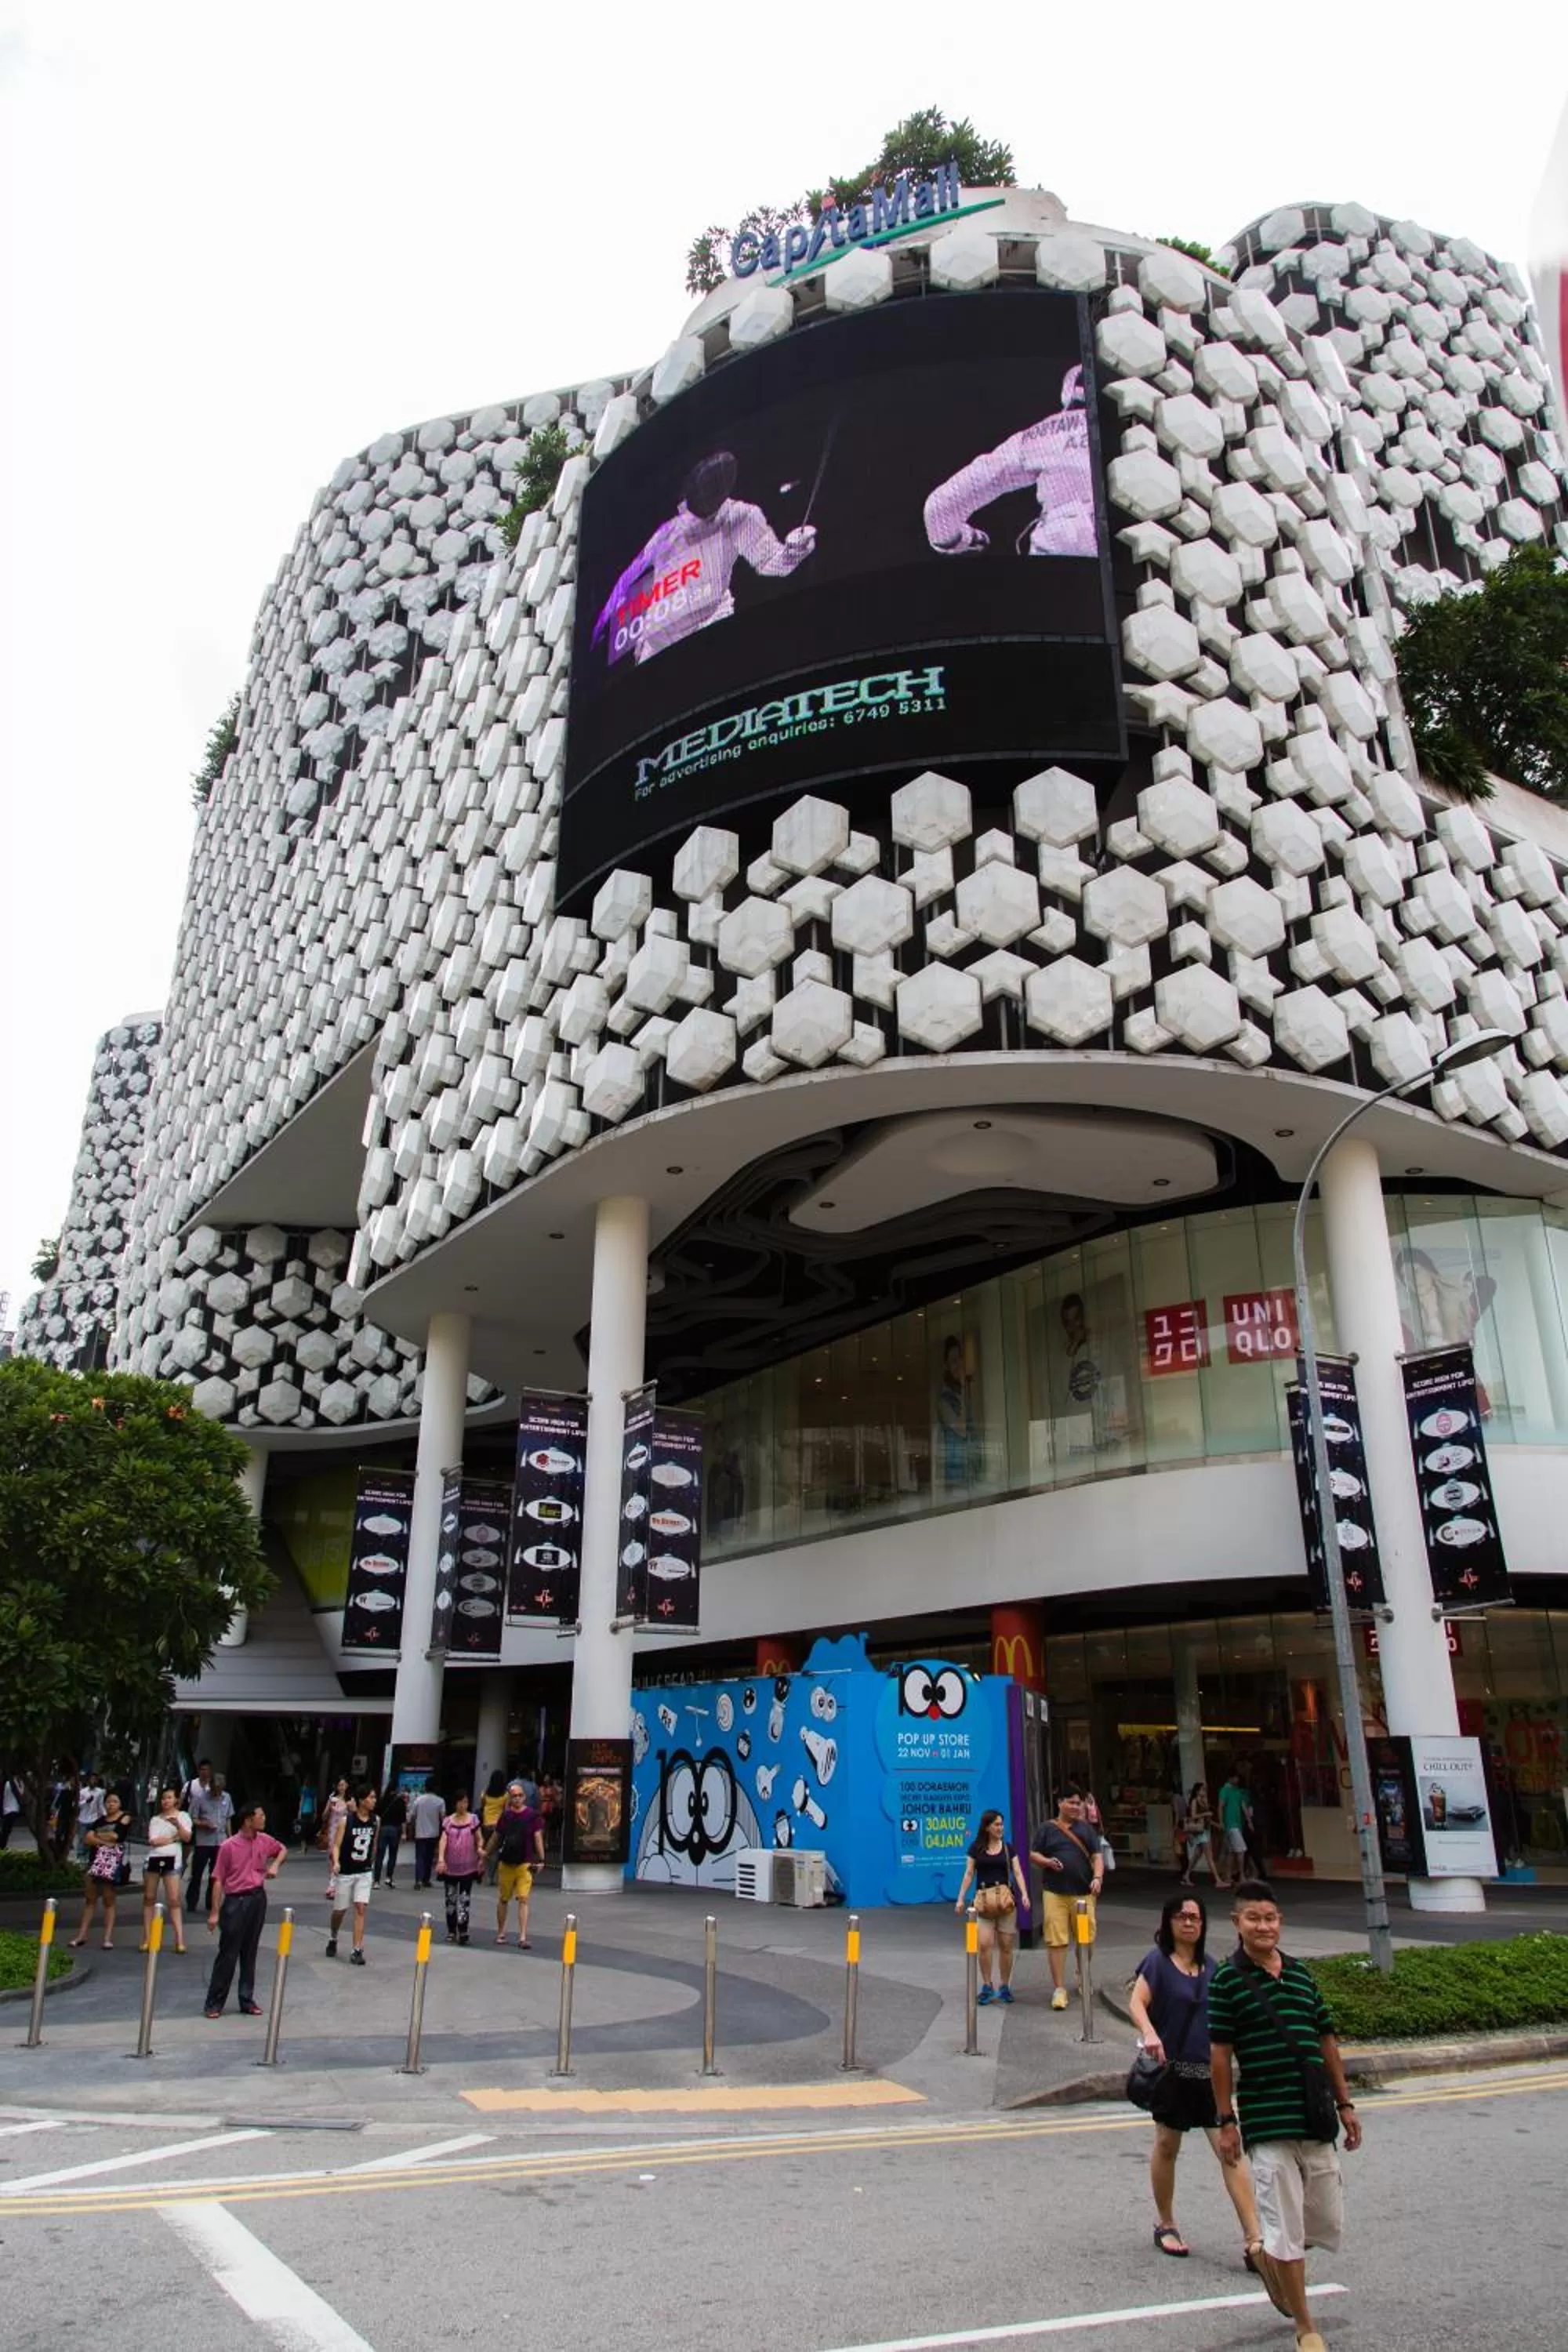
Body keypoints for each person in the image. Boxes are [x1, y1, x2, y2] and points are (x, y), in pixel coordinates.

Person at [1209, 1881, 1362, 2352]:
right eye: (1253, 1918)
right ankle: (1305, 2326)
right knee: (1286, 2228)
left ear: (1280, 1922)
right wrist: (1226, 2120)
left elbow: (1327, 2041)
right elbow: (1220, 2056)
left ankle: (1270, 2257)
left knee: (1323, 2222)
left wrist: (1345, 2103)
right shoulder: (1227, 1980)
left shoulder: (1300, 1975)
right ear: (1237, 1924)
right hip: (1267, 2119)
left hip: (1315, 2117)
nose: (1263, 1926)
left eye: (1270, 1918)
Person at [1129, 1893, 1264, 2265]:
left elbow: (1228, 2018)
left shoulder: (1211, 1968)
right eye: (1181, 1917)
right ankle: (1166, 2224)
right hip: (1173, 2075)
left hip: (1207, 2075)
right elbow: (1137, 2002)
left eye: (1195, 1918)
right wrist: (1150, 2032)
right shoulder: (1157, 1963)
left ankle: (1255, 2240)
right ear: (1168, 1923)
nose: (1189, 1923)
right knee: (1167, 2147)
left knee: (1230, 2151)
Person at [590, 448, 817, 669]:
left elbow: (771, 561)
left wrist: (794, 550)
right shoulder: (669, 531)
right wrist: (602, 624)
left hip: (706, 631)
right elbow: (629, 576)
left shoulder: (738, 516)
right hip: (656, 646)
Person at [924, 365, 1098, 558]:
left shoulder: (1035, 438)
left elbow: (939, 507)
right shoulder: (1132, 433)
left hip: (1057, 551)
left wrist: (967, 539)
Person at [204, 1800, 286, 2016]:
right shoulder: (229, 1846)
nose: (264, 1818)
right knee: (228, 1953)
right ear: (249, 1819)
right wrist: (214, 1912)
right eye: (261, 1815)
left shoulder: (264, 1840)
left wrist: (275, 1865)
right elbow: (218, 1879)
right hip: (235, 1901)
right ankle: (214, 2002)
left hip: (257, 1898)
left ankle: (247, 1999)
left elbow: (282, 1849)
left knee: (250, 1952)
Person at [1029, 1790, 1107, 2010]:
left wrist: (1098, 1878)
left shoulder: (1086, 1829)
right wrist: (1047, 1862)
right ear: (1060, 1803)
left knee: (1086, 1939)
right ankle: (1059, 1989)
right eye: (1071, 1802)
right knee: (1057, 1940)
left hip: (1083, 1894)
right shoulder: (1047, 1828)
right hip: (1055, 1893)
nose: (1075, 1807)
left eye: (1078, 1803)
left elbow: (1097, 1857)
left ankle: (1082, 1974)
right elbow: (1033, 1854)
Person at [954, 1809, 1029, 2005]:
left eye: (1001, 1824)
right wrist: (961, 1898)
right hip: (984, 1903)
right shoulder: (976, 1849)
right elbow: (969, 1874)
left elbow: (1018, 1872)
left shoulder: (1008, 1849)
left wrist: (1024, 1894)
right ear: (987, 1827)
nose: (1000, 1828)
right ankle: (987, 1985)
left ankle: (1005, 1985)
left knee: (1006, 1946)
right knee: (985, 1945)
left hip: (1005, 1903)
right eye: (996, 1824)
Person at [483, 1780, 544, 1948]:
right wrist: (486, 1853)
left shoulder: (532, 1816)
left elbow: (537, 1837)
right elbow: (497, 1836)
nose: (517, 1799)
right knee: (503, 1898)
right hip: (507, 1862)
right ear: (510, 1798)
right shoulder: (506, 1816)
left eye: (520, 1796)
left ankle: (523, 1936)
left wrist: (541, 1859)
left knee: (523, 1899)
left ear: (524, 1797)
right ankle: (501, 1933)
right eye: (514, 1796)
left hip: (524, 1862)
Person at [327, 1786, 379, 1964]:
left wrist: (371, 1865)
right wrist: (337, 1862)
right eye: (371, 1797)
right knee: (340, 1910)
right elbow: (336, 1845)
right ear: (362, 1800)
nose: (374, 1801)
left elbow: (374, 1844)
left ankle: (357, 1948)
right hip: (346, 1871)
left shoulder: (375, 1821)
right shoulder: (346, 1821)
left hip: (364, 1871)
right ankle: (333, 1936)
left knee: (360, 1908)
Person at [71, 1792, 129, 1948]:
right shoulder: (99, 1821)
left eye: (115, 1801)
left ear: (120, 1804)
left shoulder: (124, 1818)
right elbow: (88, 1838)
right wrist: (104, 1839)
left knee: (108, 1899)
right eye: (108, 1802)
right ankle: (82, 1935)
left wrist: (99, 1837)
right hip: (95, 1861)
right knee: (90, 1898)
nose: (111, 1804)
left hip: (111, 1863)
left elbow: (117, 1836)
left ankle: (107, 1938)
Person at [142, 1785, 192, 1955]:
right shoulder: (155, 1819)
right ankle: (147, 1938)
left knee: (174, 1899)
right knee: (149, 1897)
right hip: (154, 1859)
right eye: (163, 1798)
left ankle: (180, 1939)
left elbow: (186, 1838)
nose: (166, 1801)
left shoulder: (183, 1816)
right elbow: (153, 1841)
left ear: (176, 1800)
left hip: (173, 1860)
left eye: (169, 1797)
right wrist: (173, 1838)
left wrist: (177, 1825)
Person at [435, 1791, 483, 1944]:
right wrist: (441, 1859)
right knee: (450, 1899)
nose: (463, 1805)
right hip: (450, 1867)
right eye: (460, 1802)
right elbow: (443, 1840)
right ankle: (451, 1930)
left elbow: (479, 1838)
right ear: (455, 1803)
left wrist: (481, 1851)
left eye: (465, 1802)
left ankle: (463, 1930)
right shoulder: (448, 1821)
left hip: (468, 1867)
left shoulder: (473, 1820)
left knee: (464, 1899)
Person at [184, 1761, 228, 1911]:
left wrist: (230, 1838)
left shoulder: (226, 1798)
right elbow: (192, 1818)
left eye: (220, 1790)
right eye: (216, 1790)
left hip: (220, 1841)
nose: (218, 1793)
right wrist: (204, 1824)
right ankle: (192, 1902)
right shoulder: (200, 1798)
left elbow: (228, 1818)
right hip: (204, 1841)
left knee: (215, 1874)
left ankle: (211, 1902)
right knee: (197, 1873)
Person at [1182, 1784, 1223, 1887]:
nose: (1204, 1791)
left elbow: (1207, 1819)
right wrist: (1206, 1814)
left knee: (1197, 1855)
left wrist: (1216, 1824)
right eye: (1202, 1790)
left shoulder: (1204, 1802)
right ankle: (1218, 1880)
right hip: (1201, 1831)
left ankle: (1187, 1875)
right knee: (1209, 1856)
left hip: (1205, 1830)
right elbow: (1193, 1815)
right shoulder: (1195, 1801)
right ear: (1197, 1791)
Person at [1218, 1769, 1255, 1881]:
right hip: (1231, 1825)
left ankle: (1228, 1876)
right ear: (1230, 1778)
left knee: (1231, 1851)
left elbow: (1243, 1807)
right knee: (1241, 1850)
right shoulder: (1225, 1790)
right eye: (1235, 1777)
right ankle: (1241, 1875)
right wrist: (1221, 1822)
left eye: (1237, 1777)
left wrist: (1249, 1822)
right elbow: (1220, 1806)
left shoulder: (1238, 1792)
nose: (1237, 1779)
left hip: (1237, 1824)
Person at [408, 1783, 445, 1889]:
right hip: (434, 1833)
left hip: (420, 1832)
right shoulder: (440, 1801)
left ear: (425, 1788)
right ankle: (426, 1879)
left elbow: (412, 1816)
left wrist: (411, 1829)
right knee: (429, 1857)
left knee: (420, 1857)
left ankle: (418, 1880)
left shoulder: (419, 1800)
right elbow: (443, 1817)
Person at [374, 1784, 407, 1887]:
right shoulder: (400, 1801)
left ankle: (376, 1881)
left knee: (380, 1855)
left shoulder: (382, 1800)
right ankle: (389, 1878)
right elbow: (403, 1820)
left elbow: (376, 1816)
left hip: (383, 1829)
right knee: (392, 1855)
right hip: (395, 1830)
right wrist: (404, 1833)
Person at [479, 1771, 507, 1884]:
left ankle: (480, 1872)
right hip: (498, 1826)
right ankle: (490, 1876)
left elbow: (482, 1805)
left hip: (486, 1825)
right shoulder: (506, 1795)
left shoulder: (485, 1793)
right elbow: (506, 1811)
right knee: (495, 1851)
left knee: (485, 1849)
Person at [75, 1770, 105, 1860]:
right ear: (88, 1781)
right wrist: (86, 1801)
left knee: (92, 1840)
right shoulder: (83, 1792)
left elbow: (100, 1805)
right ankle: (80, 1857)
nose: (93, 1781)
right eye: (91, 1779)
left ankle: (89, 1857)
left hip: (94, 1819)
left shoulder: (100, 1792)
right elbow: (79, 1805)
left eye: (95, 1779)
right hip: (83, 1819)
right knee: (82, 1839)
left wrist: (105, 1815)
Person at [0, 1769, 24, 1847]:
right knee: (6, 1831)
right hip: (11, 1809)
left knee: (5, 1830)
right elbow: (20, 1794)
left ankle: (2, 1846)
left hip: (8, 1809)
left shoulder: (7, 1783)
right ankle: (2, 1846)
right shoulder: (13, 1783)